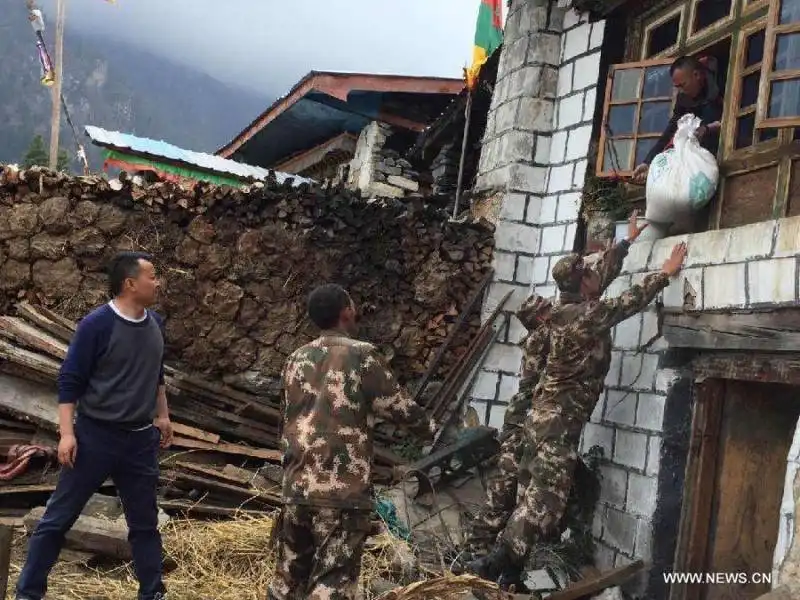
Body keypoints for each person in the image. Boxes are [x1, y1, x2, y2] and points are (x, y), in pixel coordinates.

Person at [466, 224, 688, 589]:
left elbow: (602, 275)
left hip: (545, 419)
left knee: (536, 497)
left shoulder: (562, 309)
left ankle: (510, 572)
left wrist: (626, 242)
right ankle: (495, 562)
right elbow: (627, 302)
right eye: (589, 274)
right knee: (546, 502)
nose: (594, 276)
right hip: (556, 423)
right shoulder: (584, 317)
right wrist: (665, 273)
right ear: (582, 283)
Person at [15, 251, 173, 600]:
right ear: (130, 283)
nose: (158, 281)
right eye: (152, 275)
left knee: (144, 525)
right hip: (94, 437)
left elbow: (156, 373)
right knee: (58, 519)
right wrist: (67, 434)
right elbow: (70, 381)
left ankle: (152, 593)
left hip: (138, 441)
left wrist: (162, 415)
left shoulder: (156, 323)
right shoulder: (97, 325)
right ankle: (28, 593)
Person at [268, 283, 435, 600]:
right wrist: (431, 430)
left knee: (288, 581)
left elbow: (284, 420)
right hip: (342, 492)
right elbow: (401, 409)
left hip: (297, 487)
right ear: (346, 312)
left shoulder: (295, 358)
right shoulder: (363, 356)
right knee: (333, 582)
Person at [464, 294, 553, 559]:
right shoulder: (541, 338)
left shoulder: (540, 337)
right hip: (521, 423)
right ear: (539, 318)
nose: (554, 309)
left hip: (523, 421)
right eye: (548, 308)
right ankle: (476, 549)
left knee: (509, 488)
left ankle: (487, 549)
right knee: (503, 489)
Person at [632, 55, 724, 184]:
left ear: (696, 75)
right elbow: (670, 131)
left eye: (683, 85)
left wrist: (708, 129)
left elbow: (730, 119)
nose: (681, 91)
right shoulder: (683, 99)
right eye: (677, 87)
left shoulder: (721, 81)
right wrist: (648, 162)